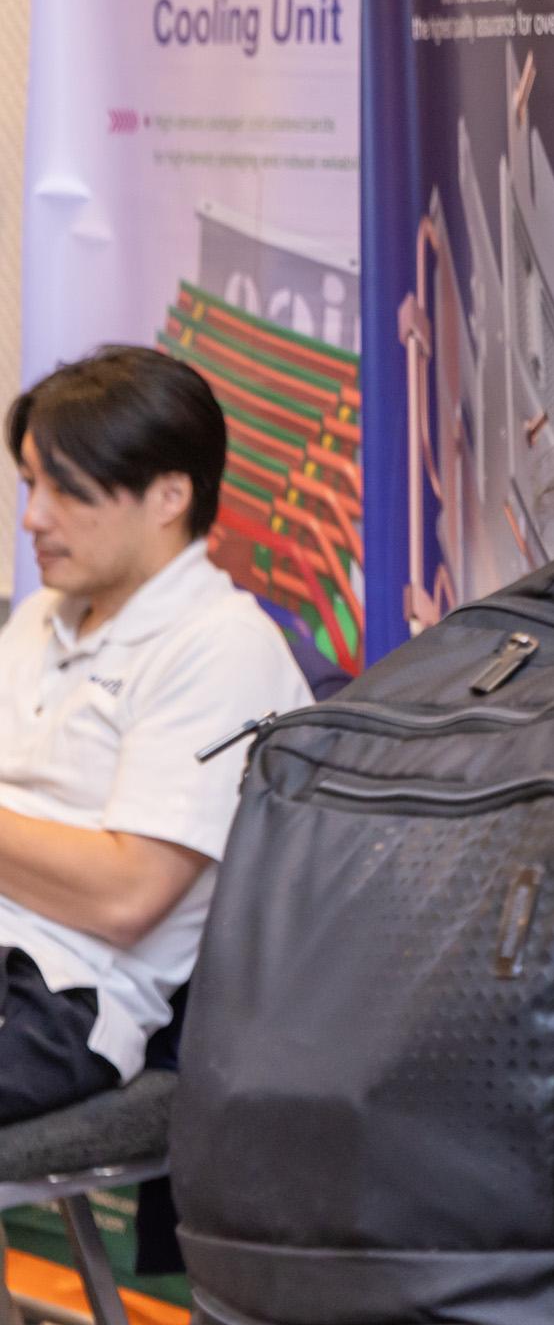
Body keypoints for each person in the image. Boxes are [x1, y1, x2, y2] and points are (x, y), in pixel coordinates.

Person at [0, 345, 303, 1118]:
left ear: (169, 495)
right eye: (31, 484)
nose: (33, 518)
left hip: (56, 993)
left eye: (67, 490)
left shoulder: (222, 645)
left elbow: (126, 895)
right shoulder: (38, 618)